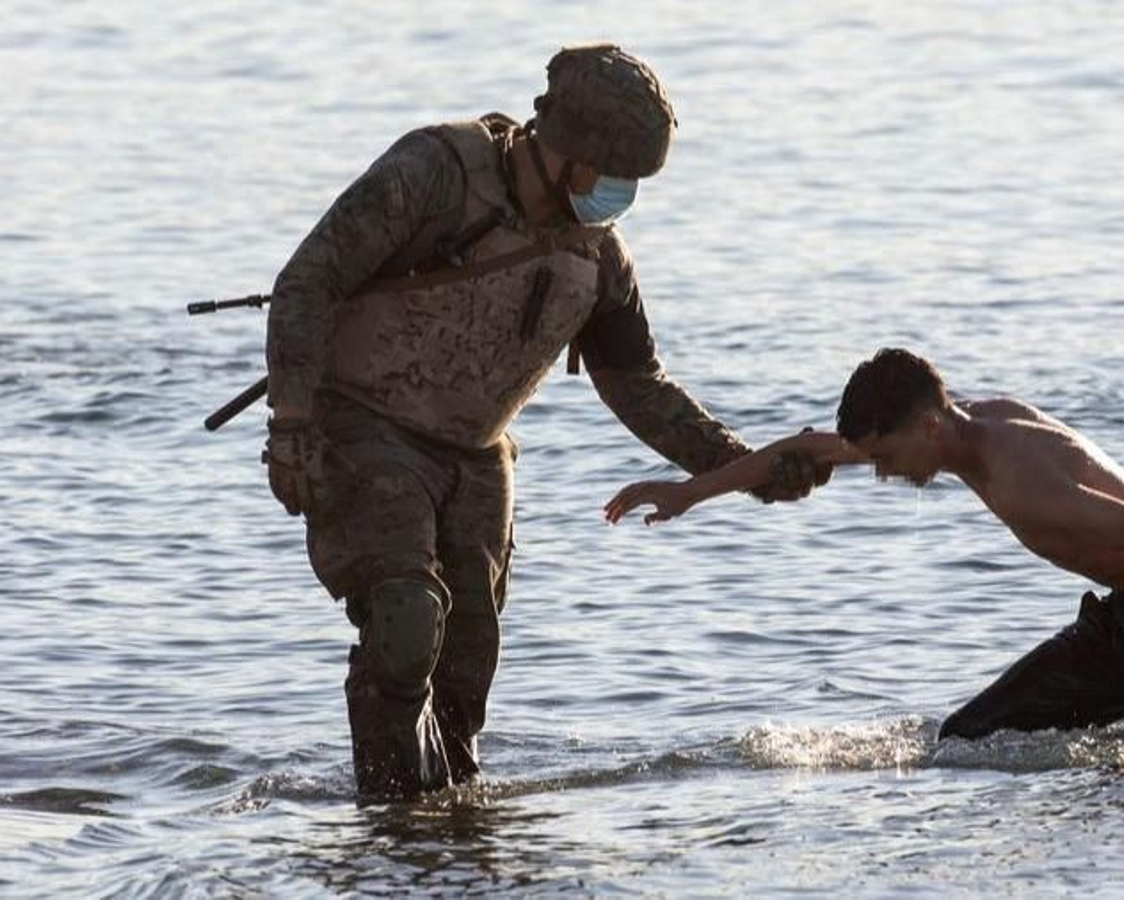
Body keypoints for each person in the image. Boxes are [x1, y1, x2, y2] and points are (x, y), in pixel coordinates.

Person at [261, 44, 828, 799]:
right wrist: (292, 424)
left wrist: (744, 466)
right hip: (366, 426)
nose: (620, 195)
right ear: (566, 155)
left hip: (476, 455)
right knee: (406, 623)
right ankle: (393, 817)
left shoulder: (596, 260)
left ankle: (452, 824)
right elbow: (309, 281)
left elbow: (640, 387)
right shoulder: (435, 174)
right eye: (611, 175)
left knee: (465, 667)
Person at [605, 348, 1124, 737]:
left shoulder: (1022, 476)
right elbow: (806, 449)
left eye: (885, 456)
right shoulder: (961, 429)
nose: (880, 472)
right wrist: (689, 493)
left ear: (927, 425)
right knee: (967, 738)